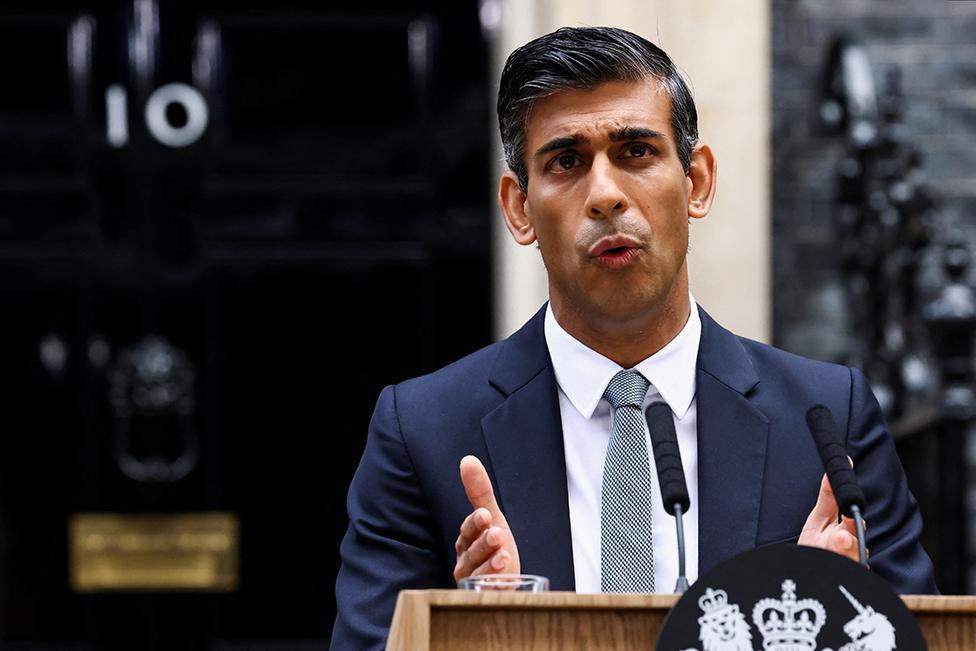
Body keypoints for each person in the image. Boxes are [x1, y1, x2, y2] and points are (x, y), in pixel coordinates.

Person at [329, 26, 937, 651]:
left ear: (697, 181)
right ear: (518, 209)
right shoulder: (424, 432)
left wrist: (825, 618)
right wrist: (478, 634)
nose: (605, 195)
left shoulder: (827, 419)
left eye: (637, 152)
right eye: (566, 161)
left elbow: (915, 634)